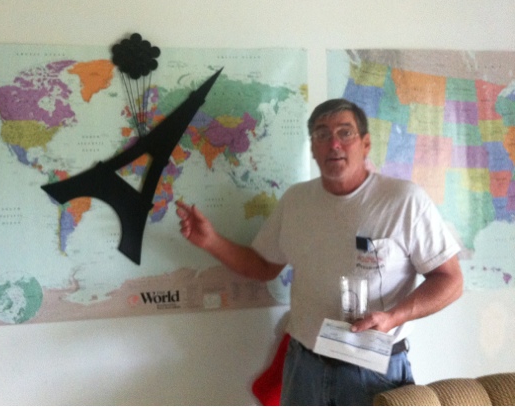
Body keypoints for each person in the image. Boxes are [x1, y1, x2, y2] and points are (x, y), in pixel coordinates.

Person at [176, 98, 463, 406]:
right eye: (322, 134)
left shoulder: (403, 200)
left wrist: (394, 317)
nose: (334, 143)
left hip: (374, 371)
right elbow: (263, 265)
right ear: (313, 147)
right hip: (304, 367)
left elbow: (450, 280)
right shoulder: (296, 201)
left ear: (366, 144)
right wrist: (211, 241)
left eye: (345, 132)